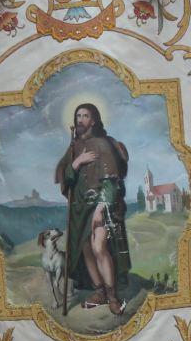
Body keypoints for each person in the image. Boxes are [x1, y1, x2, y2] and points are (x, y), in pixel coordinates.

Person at [54, 103, 132, 315]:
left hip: (103, 205)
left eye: (85, 116)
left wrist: (101, 207)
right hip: (80, 207)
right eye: (78, 115)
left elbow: (111, 180)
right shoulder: (75, 147)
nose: (80, 119)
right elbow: (65, 177)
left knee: (99, 247)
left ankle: (113, 296)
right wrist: (76, 163)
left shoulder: (102, 144)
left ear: (94, 120)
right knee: (86, 248)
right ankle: (99, 293)